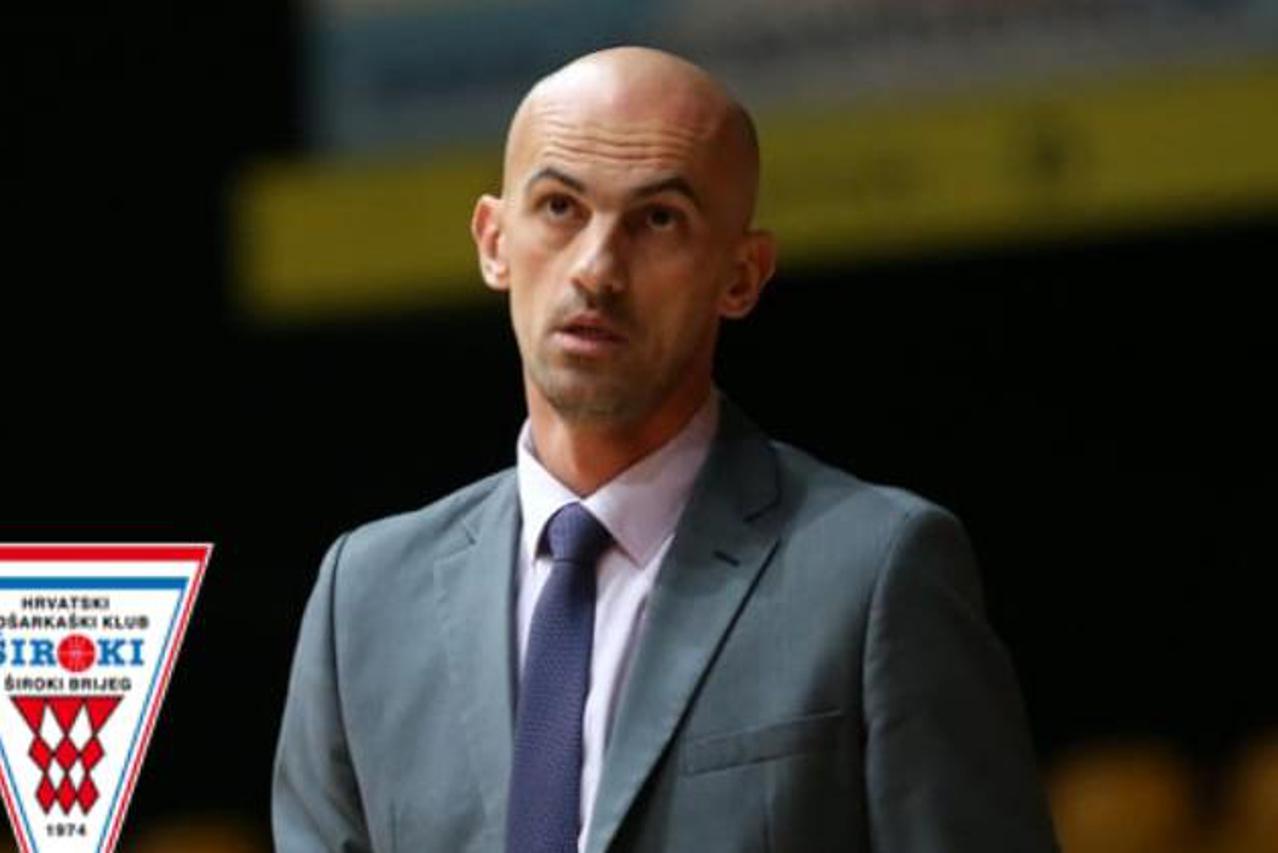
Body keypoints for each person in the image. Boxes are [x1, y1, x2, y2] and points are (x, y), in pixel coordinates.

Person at [272, 46, 1060, 853]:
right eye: (559, 207)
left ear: (743, 275)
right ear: (494, 240)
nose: (597, 269)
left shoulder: (876, 571)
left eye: (658, 220)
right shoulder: (364, 599)